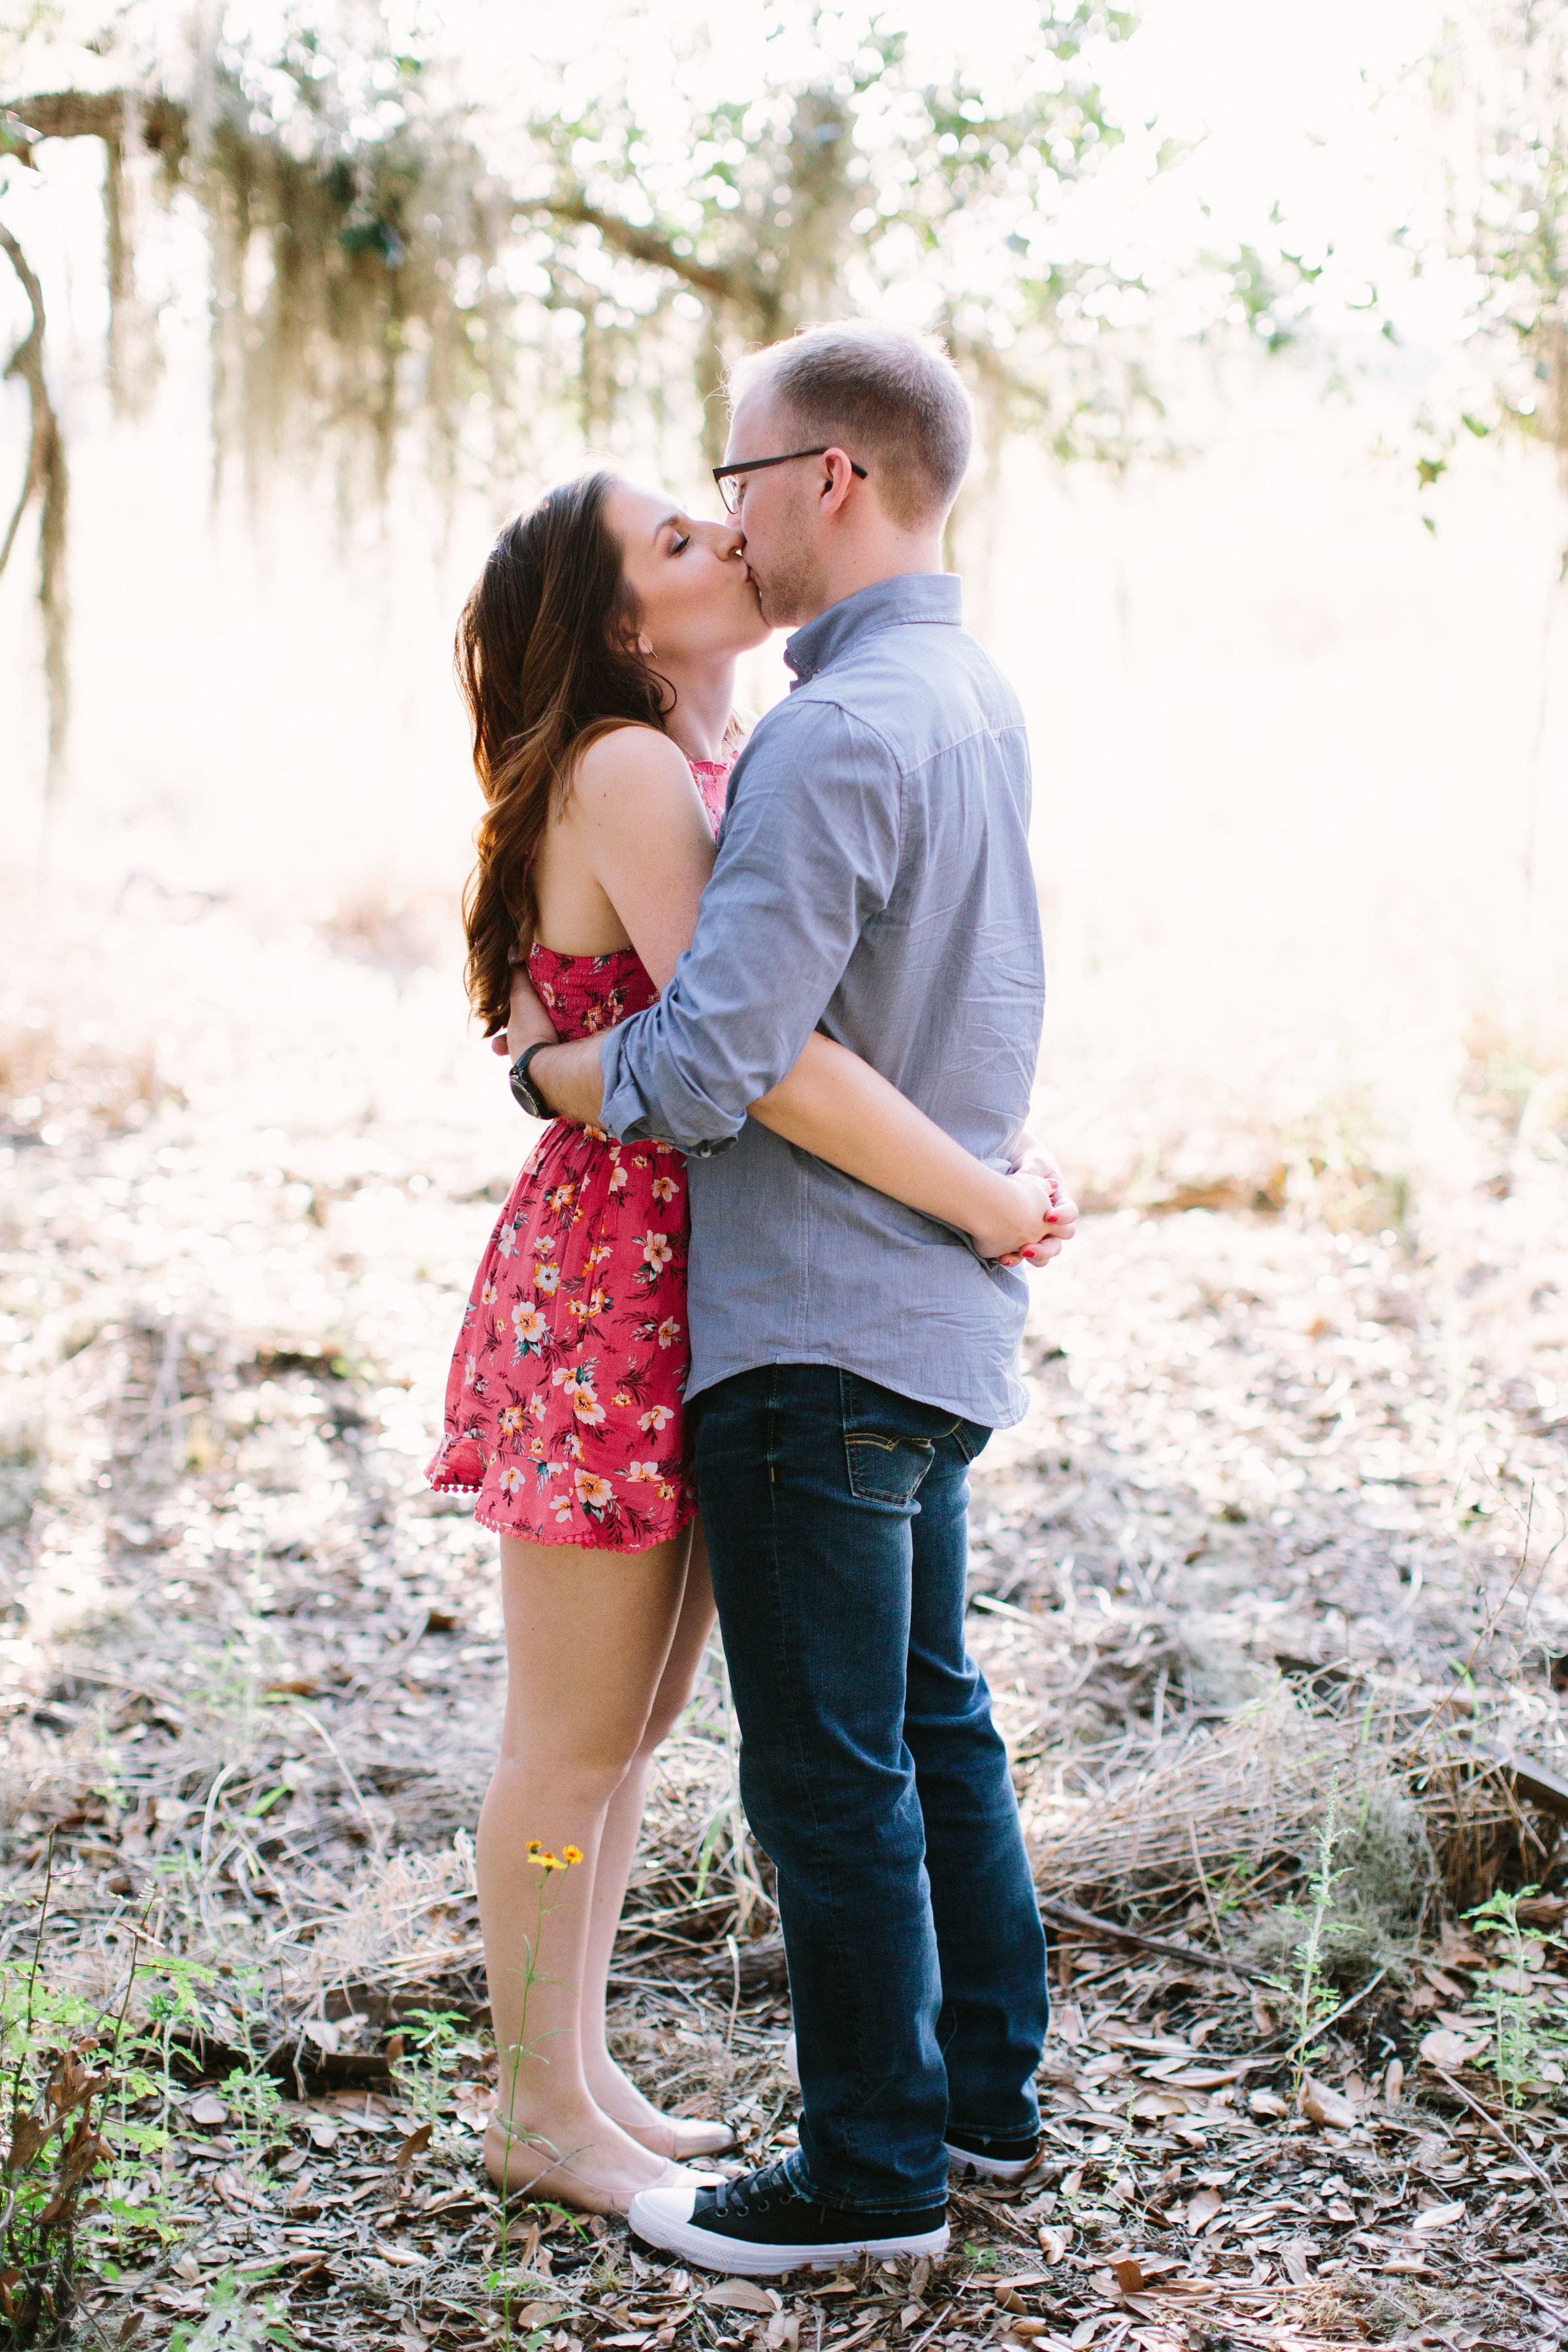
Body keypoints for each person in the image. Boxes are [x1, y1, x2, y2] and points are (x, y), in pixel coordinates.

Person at [430, 466, 1073, 2218]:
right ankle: (533, 2107)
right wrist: (978, 1193)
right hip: (614, 1289)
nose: (723, 534)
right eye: (671, 536)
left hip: (687, 1277)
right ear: (626, 624)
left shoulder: (703, 763)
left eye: (712, 511)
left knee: (626, 1736)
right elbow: (758, 1055)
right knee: (570, 1734)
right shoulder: (635, 768)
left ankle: (575, 2080)